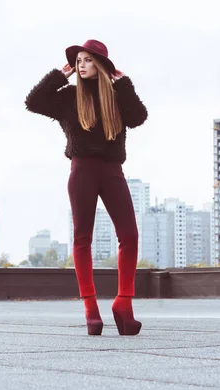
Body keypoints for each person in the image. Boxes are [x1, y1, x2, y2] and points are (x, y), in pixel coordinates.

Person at [24, 39, 148, 336]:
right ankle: (91, 310)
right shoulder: (67, 97)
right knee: (82, 238)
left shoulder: (117, 97)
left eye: (88, 60)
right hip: (82, 170)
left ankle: (124, 304)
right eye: (78, 60)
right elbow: (33, 101)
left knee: (129, 235)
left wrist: (124, 83)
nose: (81, 64)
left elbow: (139, 117)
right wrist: (59, 74)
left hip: (113, 171)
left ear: (102, 65)